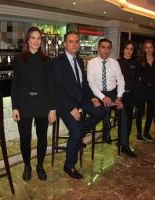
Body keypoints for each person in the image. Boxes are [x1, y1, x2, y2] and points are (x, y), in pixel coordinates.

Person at [53, 31, 106, 179]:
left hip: (81, 99)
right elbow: (58, 90)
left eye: (77, 41)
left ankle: (80, 130)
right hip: (64, 104)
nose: (75, 44)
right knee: (75, 133)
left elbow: (83, 85)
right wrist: (72, 108)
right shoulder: (58, 62)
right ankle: (69, 165)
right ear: (65, 44)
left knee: (101, 111)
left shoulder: (80, 60)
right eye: (71, 41)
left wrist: (92, 97)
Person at [11, 27, 56, 181]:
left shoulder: (47, 60)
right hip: (24, 105)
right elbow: (15, 84)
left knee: (42, 138)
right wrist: (14, 107)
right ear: (27, 40)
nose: (36, 41)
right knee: (25, 138)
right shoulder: (19, 59)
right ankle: (27, 166)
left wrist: (52, 109)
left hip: (43, 105)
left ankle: (40, 166)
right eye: (33, 38)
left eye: (38, 38)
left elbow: (51, 86)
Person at [87, 38, 125, 144]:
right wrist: (102, 97)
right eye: (103, 47)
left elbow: (121, 80)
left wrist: (119, 97)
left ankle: (123, 141)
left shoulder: (115, 63)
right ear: (98, 48)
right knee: (106, 107)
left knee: (123, 111)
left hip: (112, 92)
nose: (106, 50)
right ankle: (106, 131)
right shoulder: (92, 63)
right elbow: (91, 83)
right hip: (97, 93)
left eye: (108, 48)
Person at [117, 40, 141, 157]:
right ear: (123, 49)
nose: (129, 51)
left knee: (128, 121)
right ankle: (123, 143)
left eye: (131, 49)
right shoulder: (116, 62)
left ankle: (124, 144)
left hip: (131, 96)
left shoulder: (136, 64)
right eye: (127, 48)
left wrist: (137, 98)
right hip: (119, 97)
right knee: (122, 120)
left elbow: (137, 82)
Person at [136, 40, 155, 141]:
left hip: (153, 90)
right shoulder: (139, 61)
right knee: (140, 112)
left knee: (150, 112)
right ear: (144, 49)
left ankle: (146, 132)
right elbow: (136, 76)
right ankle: (138, 133)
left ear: (154, 48)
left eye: (151, 47)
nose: (149, 49)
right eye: (146, 47)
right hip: (142, 89)